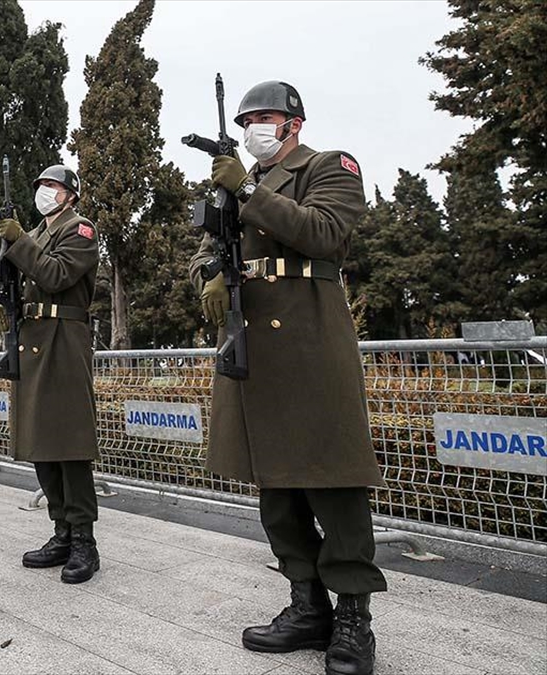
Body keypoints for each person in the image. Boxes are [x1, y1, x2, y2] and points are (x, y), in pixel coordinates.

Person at [188, 80, 384, 675]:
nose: (254, 129)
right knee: (274, 484)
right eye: (246, 119)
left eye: (264, 117)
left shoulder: (328, 167)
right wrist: (209, 275)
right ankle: (307, 605)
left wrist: (244, 187)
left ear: (293, 123)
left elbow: (324, 233)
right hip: (251, 345)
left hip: (308, 341)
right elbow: (204, 246)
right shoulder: (235, 185)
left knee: (331, 478)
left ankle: (353, 618)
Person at [0, 164, 101, 584]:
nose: (44, 191)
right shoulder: (37, 234)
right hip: (34, 336)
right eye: (40, 185)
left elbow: (56, 275)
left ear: (70, 195)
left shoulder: (80, 230)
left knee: (68, 441)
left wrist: (18, 240)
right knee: (42, 440)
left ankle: (83, 540)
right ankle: (61, 529)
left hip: (64, 338)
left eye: (52, 186)